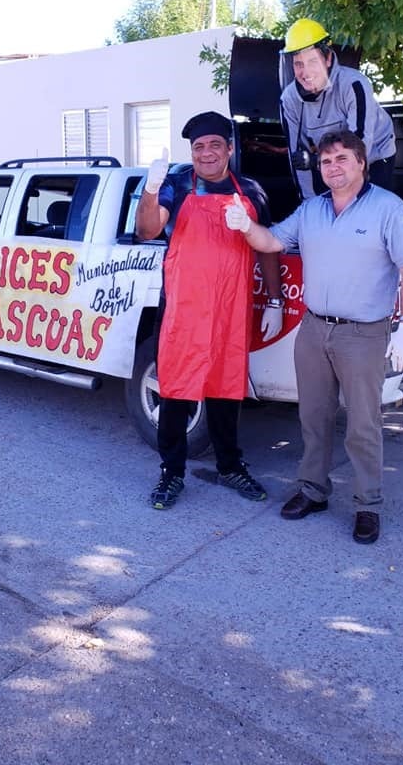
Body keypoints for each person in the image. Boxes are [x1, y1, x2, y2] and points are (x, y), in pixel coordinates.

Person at [224, 129, 403, 543]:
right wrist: (246, 225)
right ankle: (313, 491)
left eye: (341, 159)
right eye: (325, 161)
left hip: (363, 334)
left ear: (361, 163)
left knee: (363, 424)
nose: (332, 167)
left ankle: (368, 505)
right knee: (313, 418)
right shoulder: (311, 210)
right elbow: (270, 241)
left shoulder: (389, 209)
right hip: (314, 329)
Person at [135, 110, 283, 510]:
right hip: (184, 309)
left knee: (225, 389)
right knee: (177, 390)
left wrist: (274, 299)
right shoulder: (179, 184)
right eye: (199, 147)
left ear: (230, 149)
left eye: (215, 144)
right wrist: (151, 189)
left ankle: (230, 465)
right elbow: (147, 230)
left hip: (230, 310)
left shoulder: (250, 190)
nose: (206, 153)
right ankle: (171, 473)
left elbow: (267, 246)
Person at [278, 18, 396, 201]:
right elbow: (297, 158)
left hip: (374, 153)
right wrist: (309, 206)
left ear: (328, 59)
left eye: (312, 61)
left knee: (366, 209)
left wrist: (318, 162)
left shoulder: (354, 84)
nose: (306, 72)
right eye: (298, 64)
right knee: (321, 208)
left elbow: (360, 146)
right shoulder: (288, 100)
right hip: (327, 157)